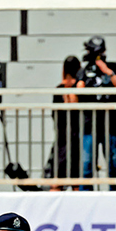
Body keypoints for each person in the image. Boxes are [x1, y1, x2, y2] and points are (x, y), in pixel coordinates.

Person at [77, 36, 116, 190]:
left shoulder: (113, 67)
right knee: (87, 165)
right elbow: (78, 91)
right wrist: (85, 76)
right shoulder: (84, 70)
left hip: (110, 124)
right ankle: (86, 197)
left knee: (113, 164)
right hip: (89, 124)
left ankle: (115, 195)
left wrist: (106, 71)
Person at [47, 55, 84, 189]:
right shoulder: (60, 89)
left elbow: (73, 106)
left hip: (72, 137)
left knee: (74, 181)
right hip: (66, 137)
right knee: (60, 180)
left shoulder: (79, 87)